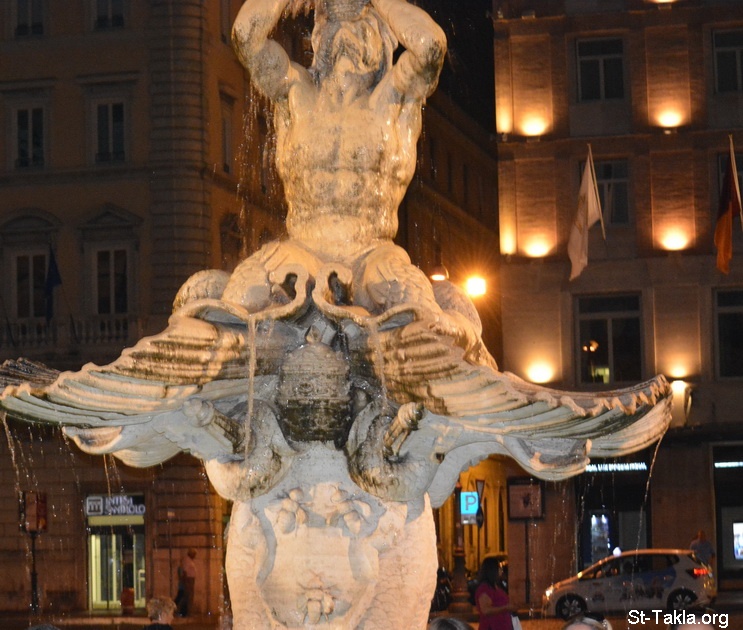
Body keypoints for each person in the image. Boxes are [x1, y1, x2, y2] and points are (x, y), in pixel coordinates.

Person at [474, 556, 517, 630]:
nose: (501, 570)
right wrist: (506, 608)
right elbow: (486, 610)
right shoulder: (485, 588)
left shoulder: (497, 586)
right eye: (499, 568)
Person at [175, 547, 197, 617]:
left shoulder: (189, 560)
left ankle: (185, 612)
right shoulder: (187, 560)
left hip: (190, 579)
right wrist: (185, 582)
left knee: (186, 596)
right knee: (186, 596)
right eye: (194, 554)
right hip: (188, 580)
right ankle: (183, 612)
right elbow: (185, 571)